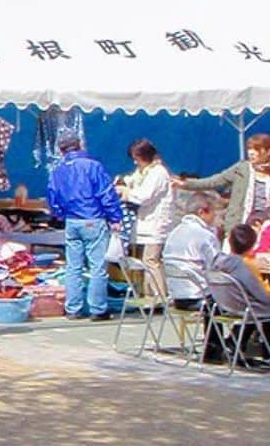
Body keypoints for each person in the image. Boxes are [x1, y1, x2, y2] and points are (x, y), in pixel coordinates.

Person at [46, 127, 123, 321]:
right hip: (93, 218)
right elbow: (106, 193)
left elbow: (52, 196)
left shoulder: (57, 170)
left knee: (73, 267)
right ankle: (98, 309)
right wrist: (115, 217)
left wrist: (61, 214)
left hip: (72, 221)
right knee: (97, 266)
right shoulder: (93, 166)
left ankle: (73, 308)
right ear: (79, 144)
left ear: (61, 150)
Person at [212, 223, 270, 368]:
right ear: (253, 244)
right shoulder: (247, 266)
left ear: (230, 243)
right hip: (254, 308)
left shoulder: (220, 262)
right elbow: (266, 297)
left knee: (263, 309)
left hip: (229, 305)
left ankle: (269, 353)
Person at [174, 134, 270, 237]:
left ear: (268, 152)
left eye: (256, 149)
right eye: (249, 149)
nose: (251, 153)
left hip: (264, 229)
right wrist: (186, 184)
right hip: (239, 226)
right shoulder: (242, 169)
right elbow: (215, 181)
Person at [116, 138, 174, 299]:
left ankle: (160, 296)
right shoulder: (144, 171)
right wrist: (122, 182)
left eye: (137, 158)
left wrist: (126, 193)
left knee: (151, 260)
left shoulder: (158, 172)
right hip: (144, 224)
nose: (135, 162)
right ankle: (149, 295)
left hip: (156, 224)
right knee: (144, 261)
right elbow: (132, 180)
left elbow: (144, 196)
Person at [161, 193, 221, 306]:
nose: (215, 216)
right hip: (200, 297)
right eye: (214, 212)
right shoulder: (205, 236)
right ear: (202, 212)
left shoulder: (174, 233)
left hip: (176, 296)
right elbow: (217, 267)